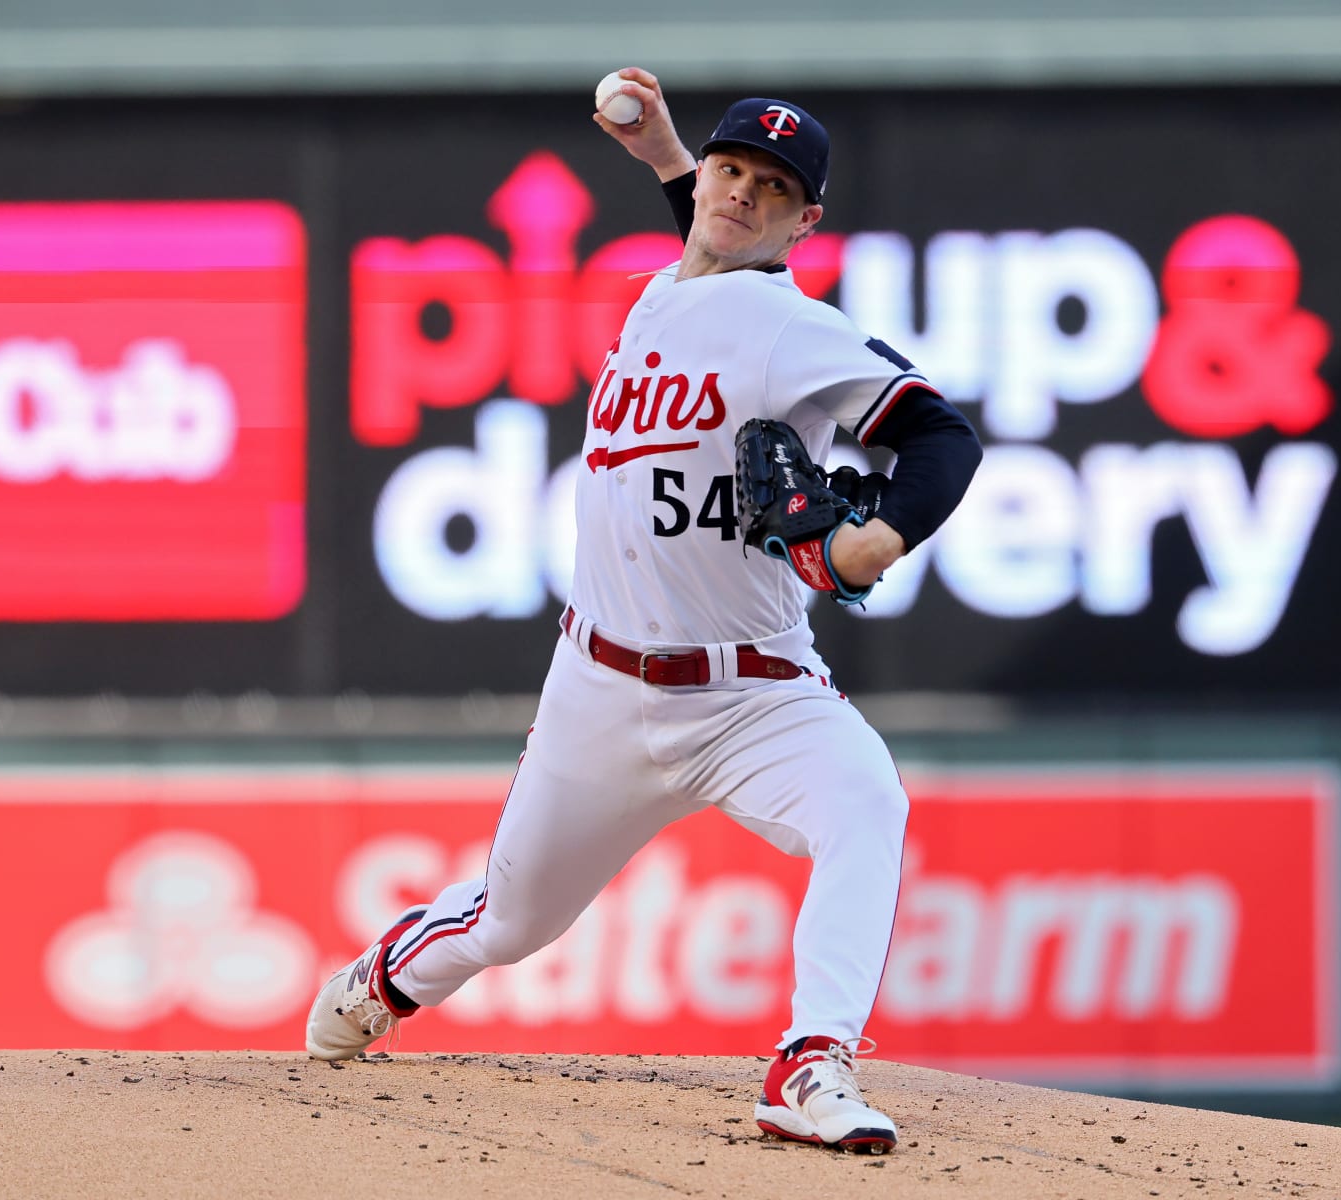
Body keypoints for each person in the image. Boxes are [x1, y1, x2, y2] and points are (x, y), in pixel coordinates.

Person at [305, 67, 983, 1154]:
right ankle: (390, 974)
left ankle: (813, 1062)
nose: (742, 194)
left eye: (774, 187)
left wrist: (873, 536)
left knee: (868, 802)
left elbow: (944, 438)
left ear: (806, 224)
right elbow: (708, 251)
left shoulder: (785, 326)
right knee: (511, 924)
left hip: (755, 691)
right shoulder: (670, 287)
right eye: (731, 171)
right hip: (600, 694)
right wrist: (669, 153)